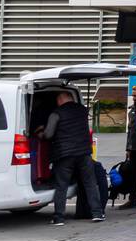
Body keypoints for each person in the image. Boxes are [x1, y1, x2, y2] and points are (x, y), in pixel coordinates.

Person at [39, 91, 103, 225]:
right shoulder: (82, 110)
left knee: (61, 185)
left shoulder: (57, 113)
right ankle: (97, 213)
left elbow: (49, 134)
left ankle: (59, 217)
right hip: (84, 153)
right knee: (90, 183)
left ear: (61, 100)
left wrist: (40, 133)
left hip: (65, 154)